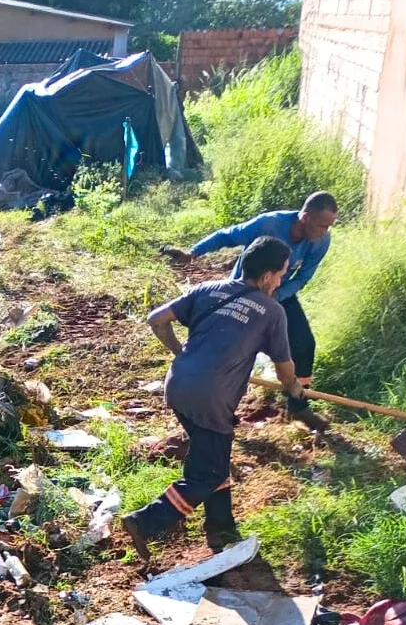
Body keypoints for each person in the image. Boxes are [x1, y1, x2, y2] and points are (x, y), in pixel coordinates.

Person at [122, 236, 306, 561]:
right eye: (281, 275)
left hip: (177, 386)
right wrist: (293, 387)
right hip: (211, 398)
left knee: (215, 461)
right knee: (205, 475)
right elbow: (284, 368)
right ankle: (145, 522)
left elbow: (156, 320)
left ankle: (222, 529)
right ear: (266, 275)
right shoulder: (272, 311)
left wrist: (182, 354)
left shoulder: (207, 289)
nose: (281, 282)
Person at [163, 192, 338, 431]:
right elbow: (227, 235)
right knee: (232, 347)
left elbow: (303, 278)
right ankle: (220, 405)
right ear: (306, 217)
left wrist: (276, 296)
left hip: (279, 291)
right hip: (243, 291)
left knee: (304, 344)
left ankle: (298, 405)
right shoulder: (270, 224)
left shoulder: (321, 242)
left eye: (329, 226)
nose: (325, 231)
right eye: (322, 225)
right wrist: (193, 253)